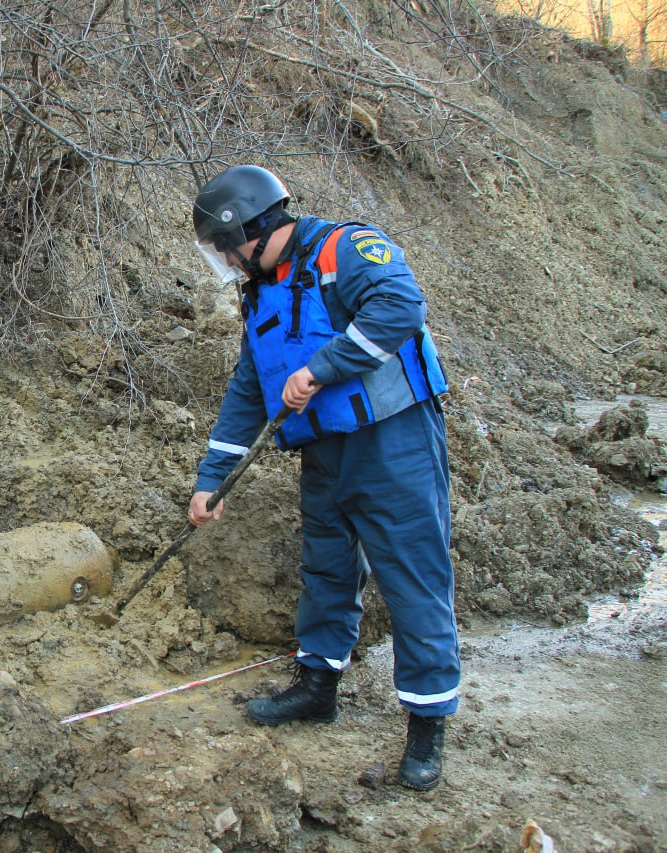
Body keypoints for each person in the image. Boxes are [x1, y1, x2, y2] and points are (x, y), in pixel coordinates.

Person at [187, 165, 459, 791]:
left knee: (413, 577)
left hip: (393, 443)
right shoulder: (261, 291)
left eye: (225, 247)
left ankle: (426, 725)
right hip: (324, 454)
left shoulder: (347, 248)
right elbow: (249, 389)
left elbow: (400, 306)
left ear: (250, 230)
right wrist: (212, 479)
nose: (225, 261)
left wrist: (321, 369)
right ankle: (317, 686)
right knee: (327, 569)